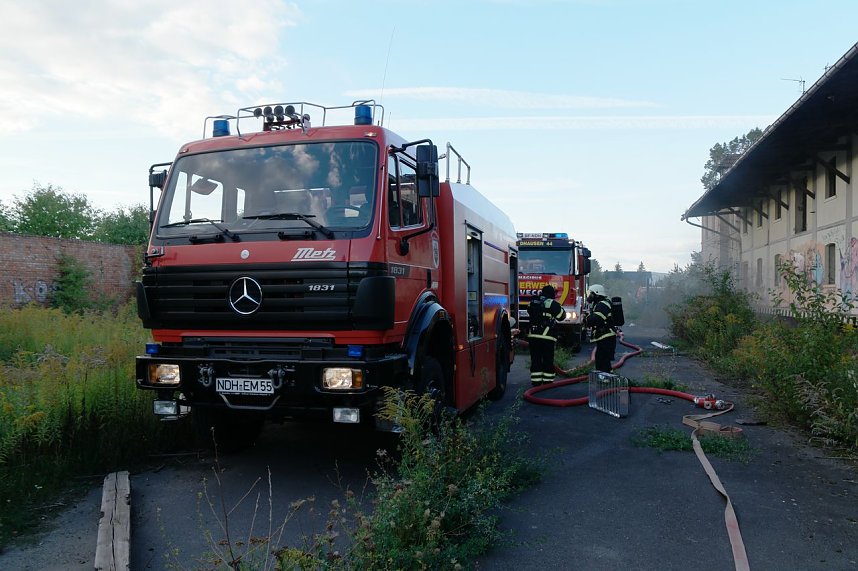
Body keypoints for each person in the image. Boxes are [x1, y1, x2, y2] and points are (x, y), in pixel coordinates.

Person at [527, 284, 565, 386]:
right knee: (548, 359)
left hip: (533, 336)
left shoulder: (533, 302)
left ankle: (536, 381)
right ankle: (548, 382)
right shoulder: (552, 303)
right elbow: (561, 316)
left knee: (535, 359)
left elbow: (529, 311)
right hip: (547, 337)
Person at [585, 284, 617, 373]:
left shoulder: (602, 305)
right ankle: (607, 376)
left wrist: (587, 318)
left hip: (606, 337)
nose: (589, 296)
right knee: (602, 361)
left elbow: (596, 319)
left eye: (591, 294)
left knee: (602, 360)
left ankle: (605, 377)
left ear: (596, 294)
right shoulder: (599, 304)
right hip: (605, 337)